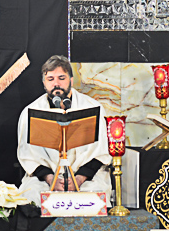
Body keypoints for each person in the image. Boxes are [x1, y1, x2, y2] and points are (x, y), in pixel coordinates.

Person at [16, 56, 111, 203]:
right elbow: (28, 155)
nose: (56, 84)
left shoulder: (93, 108)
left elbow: (101, 151)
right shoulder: (30, 112)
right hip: (45, 179)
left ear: (71, 80)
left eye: (61, 78)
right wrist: (50, 179)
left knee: (94, 195)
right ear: (44, 83)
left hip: (86, 178)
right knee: (31, 195)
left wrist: (79, 179)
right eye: (50, 79)